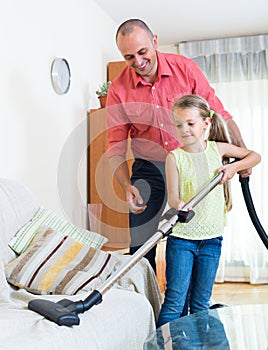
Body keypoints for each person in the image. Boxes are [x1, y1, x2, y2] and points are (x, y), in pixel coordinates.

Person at [106, 18, 250, 272]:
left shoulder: (185, 69)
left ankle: (192, 303)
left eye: (142, 52)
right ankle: (143, 305)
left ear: (155, 42)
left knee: (193, 233)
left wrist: (240, 153)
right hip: (149, 167)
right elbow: (115, 144)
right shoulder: (119, 90)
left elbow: (218, 114)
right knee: (141, 242)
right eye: (129, 57)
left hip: (192, 162)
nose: (138, 62)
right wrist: (126, 185)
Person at [156, 94, 261, 327]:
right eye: (179, 125)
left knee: (201, 303)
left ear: (206, 123)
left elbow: (255, 156)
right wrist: (179, 205)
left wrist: (234, 167)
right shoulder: (175, 158)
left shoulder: (218, 150)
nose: (184, 130)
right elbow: (174, 197)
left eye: (190, 123)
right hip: (182, 240)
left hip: (212, 239)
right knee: (174, 300)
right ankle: (163, 344)